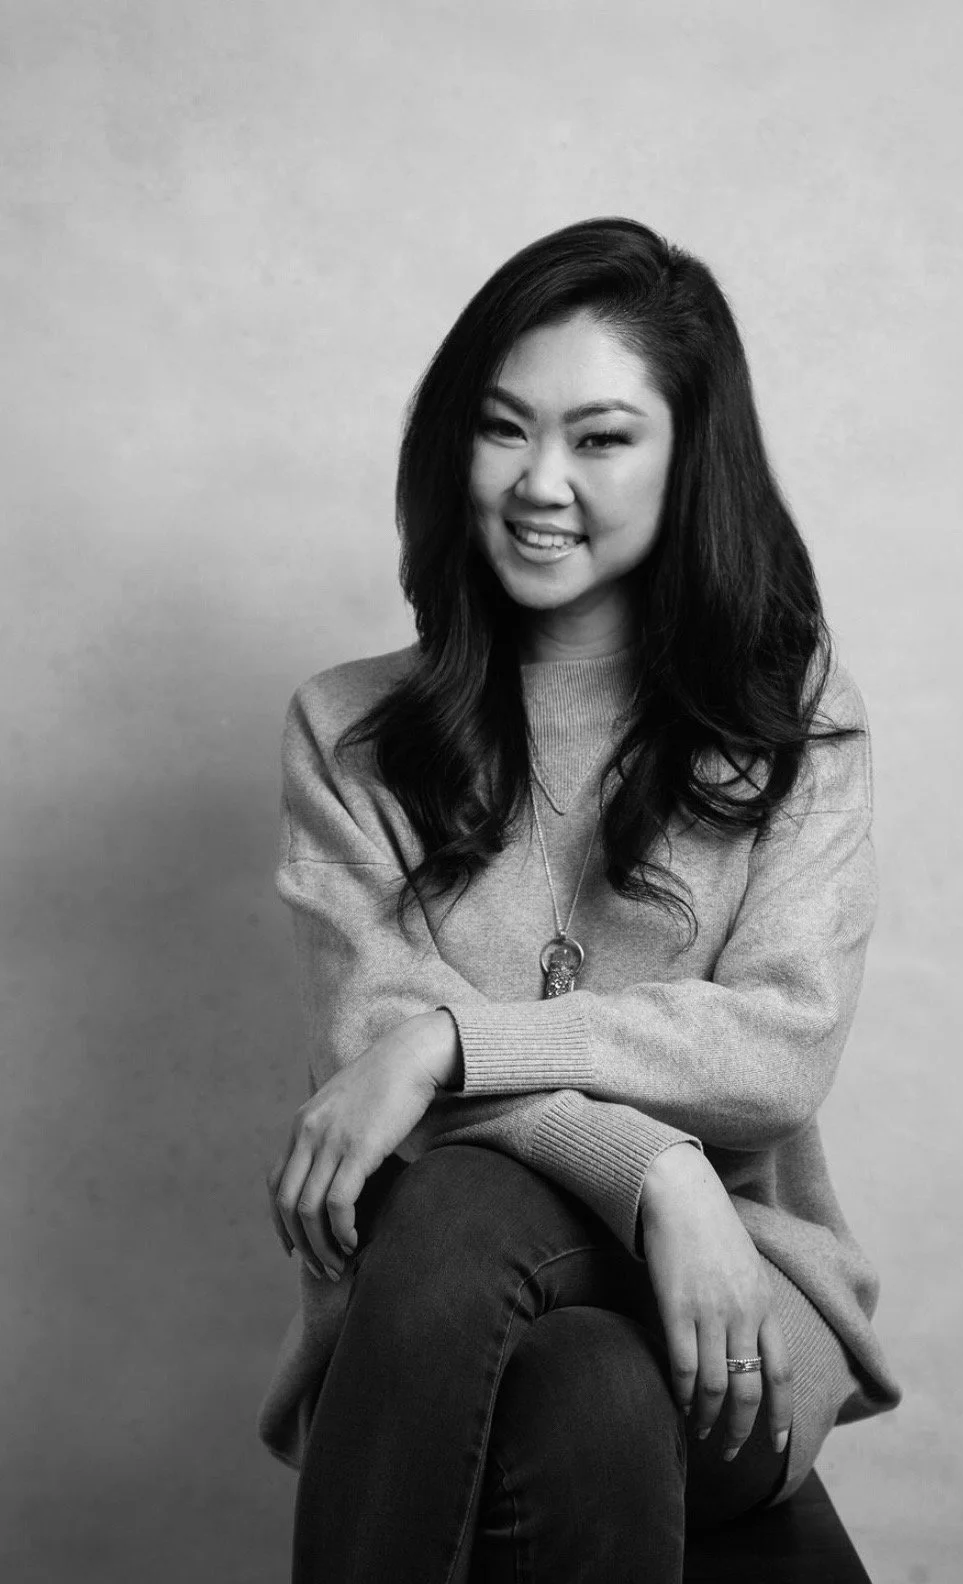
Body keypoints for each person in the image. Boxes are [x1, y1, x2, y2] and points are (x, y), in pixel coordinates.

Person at [259, 216, 901, 1582]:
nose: (539, 482)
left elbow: (776, 1044)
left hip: (728, 1303)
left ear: (685, 461)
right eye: (503, 429)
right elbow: (363, 1039)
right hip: (489, 1325)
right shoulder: (348, 733)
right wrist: (657, 1167)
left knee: (452, 1199)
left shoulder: (789, 722)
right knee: (576, 1382)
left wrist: (452, 1043)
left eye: (600, 438)